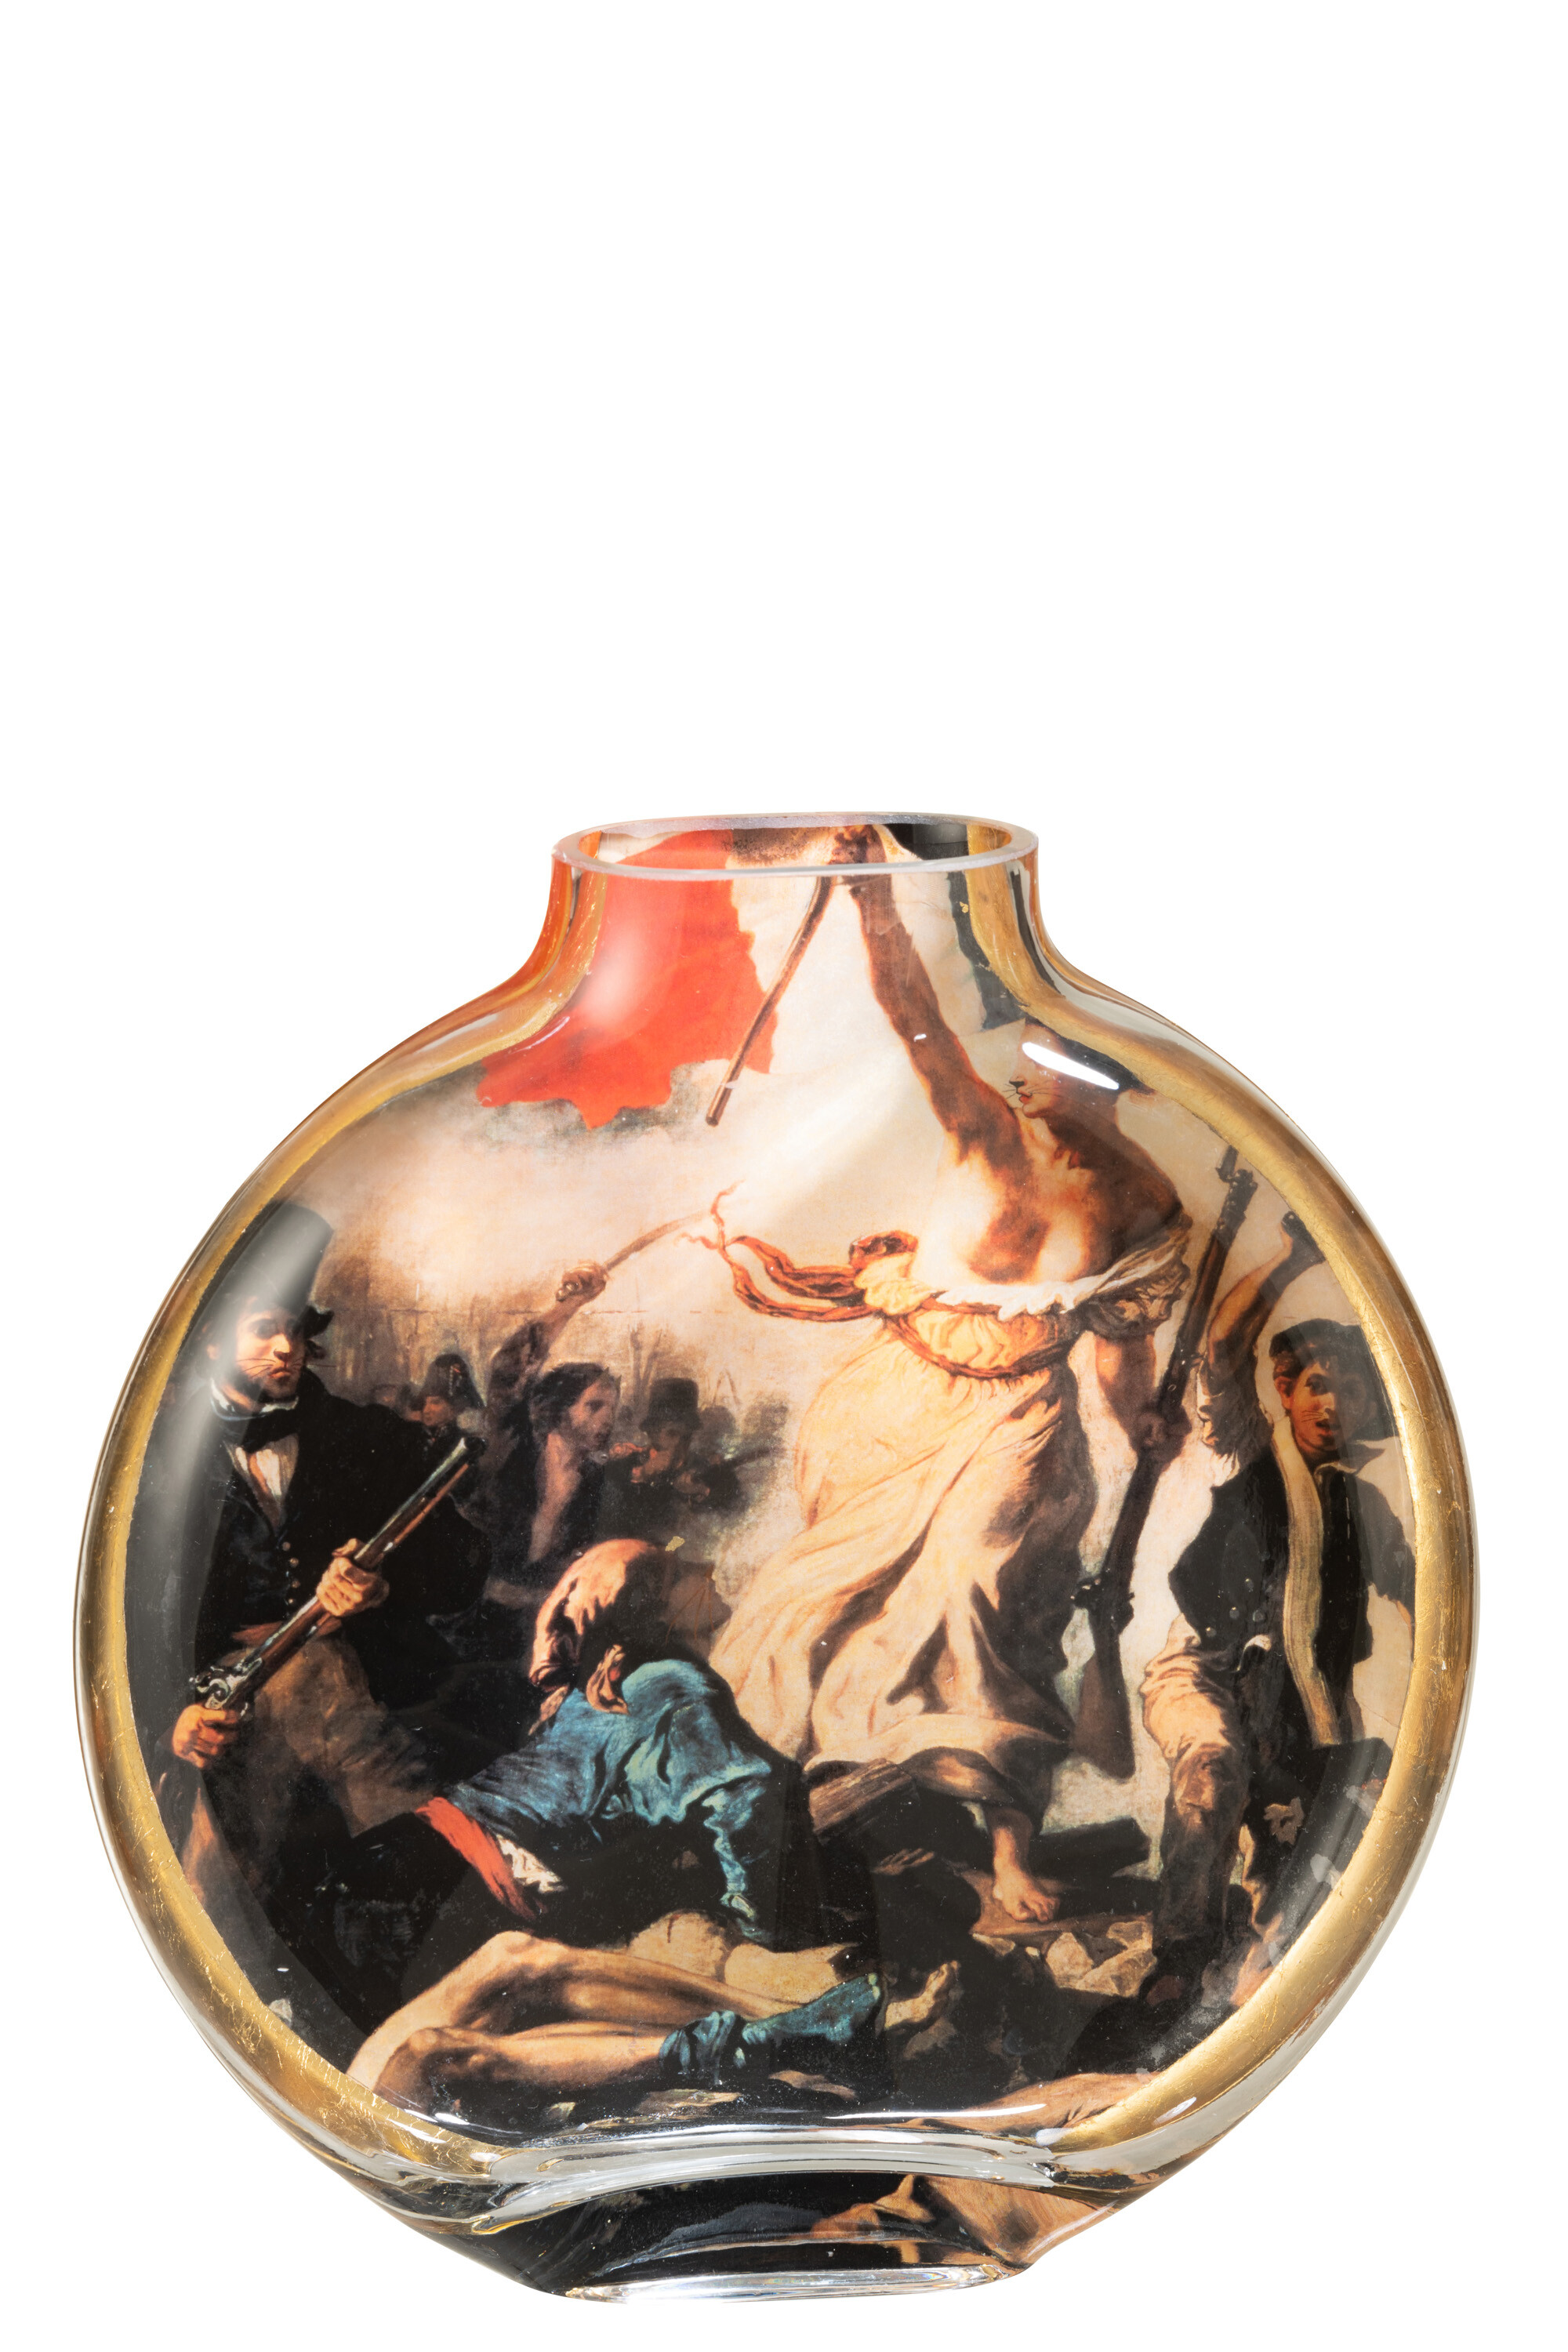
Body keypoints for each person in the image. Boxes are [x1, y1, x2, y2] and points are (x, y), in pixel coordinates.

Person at [710, 832, 1191, 1920]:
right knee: (827, 1603)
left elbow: (1118, 1344)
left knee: (982, 1592)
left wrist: (1141, 1426)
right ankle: (821, 1813)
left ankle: (1011, 1849)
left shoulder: (1140, 1197)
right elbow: (913, 1015)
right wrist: (874, 900)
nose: (1019, 1067)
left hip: (1019, 1418)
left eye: (1044, 1057)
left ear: (1101, 1076)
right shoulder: (984, 1131)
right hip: (893, 1399)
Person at [137, 1202, 488, 1947]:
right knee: (212, 1899)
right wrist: (170, 1721)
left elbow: (464, 1564)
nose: (285, 1348)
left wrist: (380, 1588)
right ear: (210, 1342)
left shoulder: (362, 1437)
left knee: (422, 1850)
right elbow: (128, 1617)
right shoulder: (155, 1459)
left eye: (295, 1330)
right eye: (262, 1329)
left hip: (355, 1691)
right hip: (223, 1709)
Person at [310, 1541, 834, 2028]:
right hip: (462, 1894)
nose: (710, 1578)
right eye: (680, 1575)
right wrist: (768, 1938)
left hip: (392, 1862)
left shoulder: (591, 1688)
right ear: (651, 1607)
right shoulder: (671, 1685)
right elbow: (750, 1798)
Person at [1138, 1235, 1415, 2013]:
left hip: (1297, 1700)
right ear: (1287, 1391)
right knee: (1211, 1767)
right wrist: (1291, 1258)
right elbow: (1223, 1349)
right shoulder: (1250, 1454)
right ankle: (1178, 1956)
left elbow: (1419, 1606)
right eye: (1319, 1386)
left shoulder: (1368, 1511)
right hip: (1203, 1671)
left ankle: (1257, 1969)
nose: (1333, 1406)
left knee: (1306, 1821)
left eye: (1351, 1394)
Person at [348, 1933, 960, 2125]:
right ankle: (770, 2040)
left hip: (350, 2090)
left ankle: (801, 2018)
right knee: (431, 2056)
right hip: (358, 2141)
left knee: (513, 1958)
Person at [595, 1376, 743, 1550]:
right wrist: (643, 1474)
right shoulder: (625, 1467)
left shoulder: (701, 1467)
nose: (679, 1444)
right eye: (672, 1434)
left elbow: (717, 1521)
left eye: (686, 1437)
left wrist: (702, 1491)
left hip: (676, 1552)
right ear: (653, 1432)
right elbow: (611, 1526)